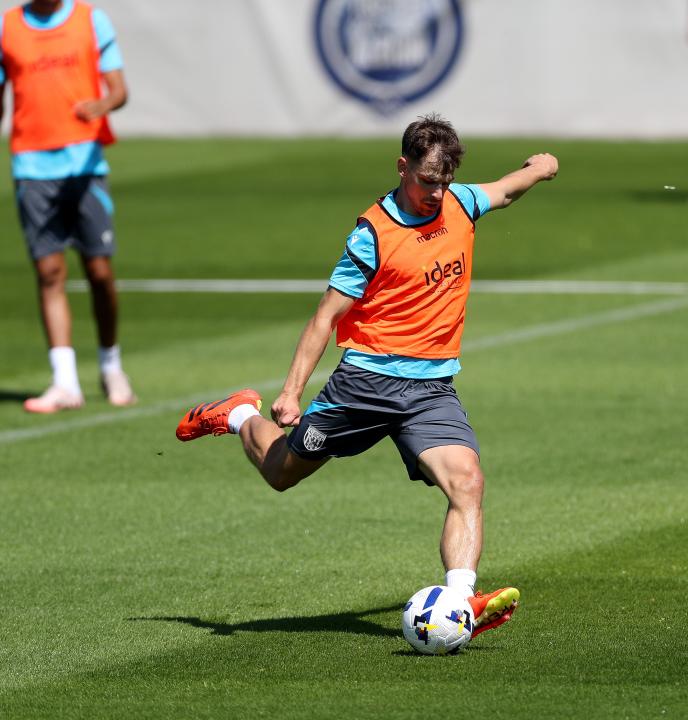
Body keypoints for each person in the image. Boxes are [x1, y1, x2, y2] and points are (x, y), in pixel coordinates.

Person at [176, 114, 559, 638]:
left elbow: (505, 191)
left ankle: (459, 601)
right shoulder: (372, 235)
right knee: (281, 472)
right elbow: (324, 318)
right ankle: (240, 413)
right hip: (364, 385)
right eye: (427, 181)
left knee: (467, 481)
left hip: (431, 389)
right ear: (403, 167)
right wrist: (290, 393)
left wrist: (539, 168)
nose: (436, 193)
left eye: (445, 182)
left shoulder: (459, 202)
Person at [0, 0, 135, 413]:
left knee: (99, 271)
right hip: (31, 166)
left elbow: (119, 90)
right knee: (49, 271)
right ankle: (64, 382)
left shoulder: (90, 20)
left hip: (85, 164)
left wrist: (102, 105)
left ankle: (111, 365)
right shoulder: (8, 27)